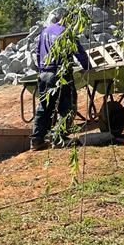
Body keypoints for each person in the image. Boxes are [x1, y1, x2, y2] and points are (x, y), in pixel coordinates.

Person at [30, 9, 91, 151]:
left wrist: (42, 70)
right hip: (60, 74)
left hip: (44, 74)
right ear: (69, 20)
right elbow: (79, 52)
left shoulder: (44, 31)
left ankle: (36, 140)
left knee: (44, 107)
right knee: (67, 105)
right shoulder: (66, 32)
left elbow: (38, 53)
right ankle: (59, 138)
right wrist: (88, 67)